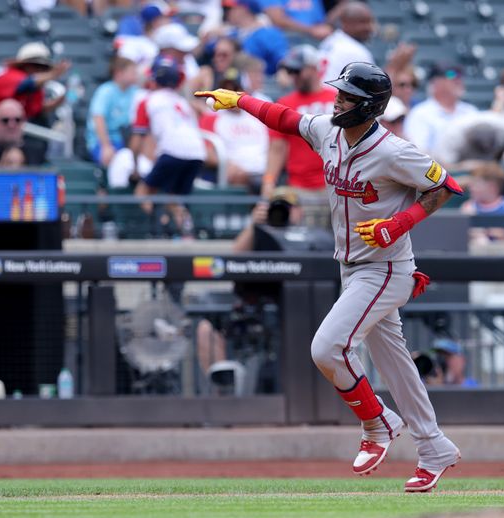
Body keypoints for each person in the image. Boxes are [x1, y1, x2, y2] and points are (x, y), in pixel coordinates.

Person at [197, 61, 464, 492]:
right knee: (397, 366)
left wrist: (398, 223)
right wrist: (241, 101)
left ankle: (377, 424)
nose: (337, 100)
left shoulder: (395, 151)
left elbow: (445, 187)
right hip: (351, 265)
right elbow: (287, 119)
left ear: (369, 106)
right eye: (339, 93)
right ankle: (433, 446)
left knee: (327, 348)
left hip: (385, 267)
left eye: (346, 96)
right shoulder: (329, 131)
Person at [131, 55, 206, 237]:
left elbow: (137, 140)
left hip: (173, 150)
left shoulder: (147, 100)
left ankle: (155, 228)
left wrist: (134, 165)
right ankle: (188, 235)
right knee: (174, 199)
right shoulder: (182, 102)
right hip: (197, 152)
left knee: (142, 190)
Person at [261, 44, 336, 199]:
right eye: (290, 71)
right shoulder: (285, 103)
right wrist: (269, 181)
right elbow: (277, 147)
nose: (293, 76)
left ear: (313, 68)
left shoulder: (337, 99)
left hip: (337, 187)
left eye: (297, 70)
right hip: (299, 188)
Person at [199, 67, 269, 191]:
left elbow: (275, 145)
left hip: (265, 172)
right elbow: (207, 153)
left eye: (235, 90)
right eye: (226, 90)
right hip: (235, 175)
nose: (229, 95)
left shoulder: (258, 114)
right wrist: (226, 164)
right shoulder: (211, 117)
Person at [404, 63, 478, 153]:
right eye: (451, 75)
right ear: (435, 83)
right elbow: (419, 153)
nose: (458, 80)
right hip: (437, 166)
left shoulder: (470, 111)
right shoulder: (421, 114)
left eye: (460, 76)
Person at [86, 56, 140, 167]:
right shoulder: (105, 91)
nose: (136, 75)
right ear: (119, 73)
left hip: (128, 140)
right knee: (117, 161)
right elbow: (98, 119)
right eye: (132, 72)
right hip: (105, 141)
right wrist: (106, 146)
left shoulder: (136, 91)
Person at [460, 162, 504, 244]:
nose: (471, 188)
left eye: (476, 185)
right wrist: (486, 232)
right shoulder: (469, 207)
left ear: (492, 187)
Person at [223, 0, 288, 76]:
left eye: (229, 9)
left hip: (263, 83)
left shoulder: (268, 33)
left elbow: (283, 58)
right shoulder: (231, 33)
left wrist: (283, 70)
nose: (226, 13)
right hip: (233, 82)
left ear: (243, 9)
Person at [318, 1, 375, 83]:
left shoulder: (329, 40)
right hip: (335, 94)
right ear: (345, 23)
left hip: (324, 93)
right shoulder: (356, 51)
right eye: (362, 22)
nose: (369, 27)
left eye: (370, 22)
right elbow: (373, 87)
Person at [0, 99, 47, 166]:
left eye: (17, 120)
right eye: (5, 120)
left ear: (24, 123)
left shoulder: (37, 151)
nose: (11, 125)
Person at [258, 0, 333, 41]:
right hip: (291, 37)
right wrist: (311, 30)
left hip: (319, 34)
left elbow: (322, 20)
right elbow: (278, 20)